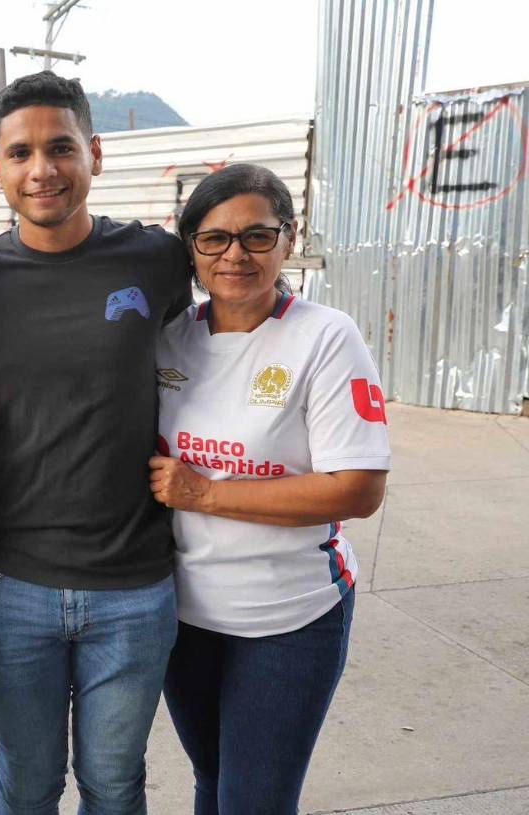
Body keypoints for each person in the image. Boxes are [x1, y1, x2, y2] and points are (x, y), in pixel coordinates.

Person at [0, 71, 193, 814]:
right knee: (28, 785)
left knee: (115, 785)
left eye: (60, 147)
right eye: (19, 152)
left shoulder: (155, 260)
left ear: (95, 154)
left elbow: (212, 351)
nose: (41, 168)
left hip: (137, 587)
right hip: (14, 583)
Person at [150, 163, 391, 814]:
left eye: (257, 236)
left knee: (254, 800)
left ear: (288, 238)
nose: (236, 254)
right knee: (213, 779)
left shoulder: (324, 337)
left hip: (289, 619)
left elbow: (358, 488)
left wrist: (206, 493)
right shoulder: (170, 339)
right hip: (185, 617)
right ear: (191, 246)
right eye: (215, 238)